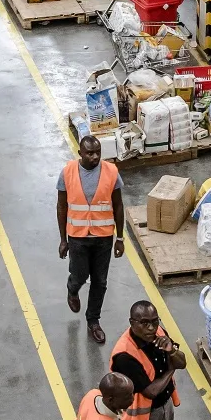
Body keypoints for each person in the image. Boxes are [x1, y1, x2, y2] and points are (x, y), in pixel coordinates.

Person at [58, 135, 125, 345]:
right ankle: (72, 289)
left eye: (98, 152)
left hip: (103, 237)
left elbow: (119, 206)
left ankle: (93, 320)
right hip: (77, 237)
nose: (95, 157)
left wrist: (120, 238)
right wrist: (63, 240)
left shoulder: (111, 172)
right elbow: (61, 207)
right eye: (90, 153)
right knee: (79, 275)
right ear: (80, 153)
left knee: (100, 281)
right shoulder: (67, 172)